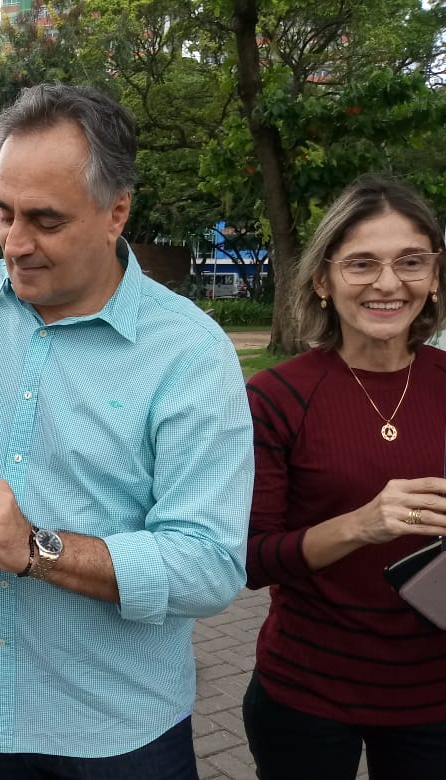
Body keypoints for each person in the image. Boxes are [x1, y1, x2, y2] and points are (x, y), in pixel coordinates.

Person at [0, 83, 254, 777]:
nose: (15, 244)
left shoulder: (191, 355)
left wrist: (37, 547)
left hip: (120, 732)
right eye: (3, 213)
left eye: (45, 221)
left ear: (117, 212)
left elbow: (208, 564)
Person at [243, 174, 446, 780]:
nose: (388, 283)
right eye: (361, 264)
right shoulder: (276, 396)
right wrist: (360, 526)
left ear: (434, 276)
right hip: (306, 694)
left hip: (435, 699)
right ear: (323, 281)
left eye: (411, 261)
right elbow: (252, 560)